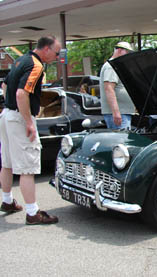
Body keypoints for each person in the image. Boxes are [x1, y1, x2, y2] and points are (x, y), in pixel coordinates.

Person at [0, 35, 61, 224]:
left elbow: (5, 85)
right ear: (46, 49)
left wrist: (8, 109)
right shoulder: (36, 65)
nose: (58, 57)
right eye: (56, 53)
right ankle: (33, 213)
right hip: (19, 117)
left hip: (7, 115)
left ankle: (7, 201)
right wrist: (28, 122)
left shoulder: (20, 60)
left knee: (7, 163)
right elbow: (21, 94)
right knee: (28, 168)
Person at [99, 41, 135, 130]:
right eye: (127, 52)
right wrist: (116, 113)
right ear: (119, 50)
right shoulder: (111, 67)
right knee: (121, 141)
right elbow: (109, 89)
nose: (128, 55)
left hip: (122, 113)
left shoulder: (116, 66)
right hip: (119, 114)